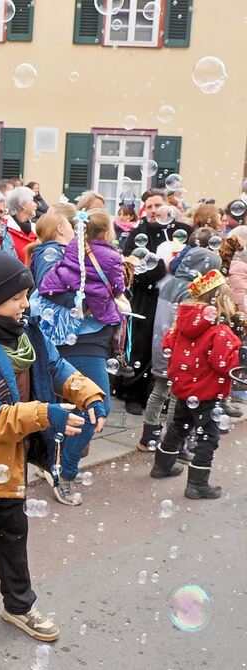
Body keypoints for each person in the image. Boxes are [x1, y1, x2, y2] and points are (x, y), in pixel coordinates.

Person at [0, 250, 105, 658]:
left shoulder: (27, 330)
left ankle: (20, 607)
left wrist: (88, 393)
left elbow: (56, 368)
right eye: (18, 296)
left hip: (11, 465)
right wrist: (46, 414)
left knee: (14, 540)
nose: (26, 303)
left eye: (26, 294)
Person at [39, 209, 124, 504]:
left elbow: (51, 284)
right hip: (84, 343)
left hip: (86, 341)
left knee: (77, 407)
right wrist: (87, 299)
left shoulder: (72, 252)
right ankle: (64, 473)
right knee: (96, 408)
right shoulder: (63, 252)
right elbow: (117, 287)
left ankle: (54, 461)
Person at [151, 270, 241, 500]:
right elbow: (224, 364)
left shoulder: (182, 321)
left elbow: (168, 344)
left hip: (184, 389)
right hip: (207, 393)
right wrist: (239, 354)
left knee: (178, 427)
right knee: (208, 437)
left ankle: (162, 466)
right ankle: (197, 484)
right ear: (222, 299)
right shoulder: (218, 330)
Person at [115, 189, 192, 414]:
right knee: (141, 341)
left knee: (168, 343)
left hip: (173, 296)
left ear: (167, 205)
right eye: (148, 206)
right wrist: (162, 268)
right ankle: (133, 392)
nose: (153, 211)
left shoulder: (181, 230)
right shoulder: (139, 231)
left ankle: (162, 393)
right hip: (145, 296)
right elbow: (133, 265)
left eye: (157, 205)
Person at [140, 240, 220, 455]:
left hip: (161, 344)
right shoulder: (192, 290)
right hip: (179, 350)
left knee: (159, 391)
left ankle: (148, 436)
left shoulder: (170, 282)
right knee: (177, 397)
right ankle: (172, 443)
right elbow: (189, 325)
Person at [26, 207, 76, 287]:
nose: (73, 231)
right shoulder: (52, 252)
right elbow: (48, 286)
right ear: (60, 229)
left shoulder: (58, 251)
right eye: (70, 227)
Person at [4, 186, 38, 262]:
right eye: (32, 201)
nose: (36, 205)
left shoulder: (36, 229)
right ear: (22, 204)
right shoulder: (4, 228)